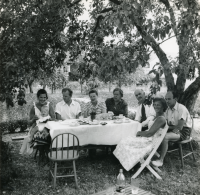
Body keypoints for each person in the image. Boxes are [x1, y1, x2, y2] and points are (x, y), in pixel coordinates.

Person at [113, 97, 167, 171]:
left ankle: (130, 165)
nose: (155, 106)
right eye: (154, 104)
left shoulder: (161, 118)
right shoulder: (157, 116)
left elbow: (150, 133)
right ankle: (128, 163)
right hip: (148, 138)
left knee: (125, 142)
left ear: (163, 106)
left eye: (158, 105)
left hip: (150, 141)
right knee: (125, 140)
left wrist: (139, 133)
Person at [152, 91, 192, 167]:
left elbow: (179, 127)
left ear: (175, 99)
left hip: (184, 131)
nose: (167, 101)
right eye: (166, 99)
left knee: (165, 137)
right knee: (157, 132)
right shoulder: (167, 109)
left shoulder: (181, 108)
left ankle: (160, 160)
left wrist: (167, 127)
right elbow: (165, 123)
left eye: (169, 99)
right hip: (174, 128)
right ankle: (152, 154)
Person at [19, 89, 55, 155]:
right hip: (36, 127)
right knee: (36, 133)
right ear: (38, 97)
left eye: (44, 97)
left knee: (50, 134)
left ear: (46, 98)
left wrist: (50, 119)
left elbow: (53, 118)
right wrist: (33, 119)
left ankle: (48, 152)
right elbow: (29, 122)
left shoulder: (49, 106)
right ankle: (38, 148)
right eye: (41, 97)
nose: (43, 99)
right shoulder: (34, 107)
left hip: (46, 127)